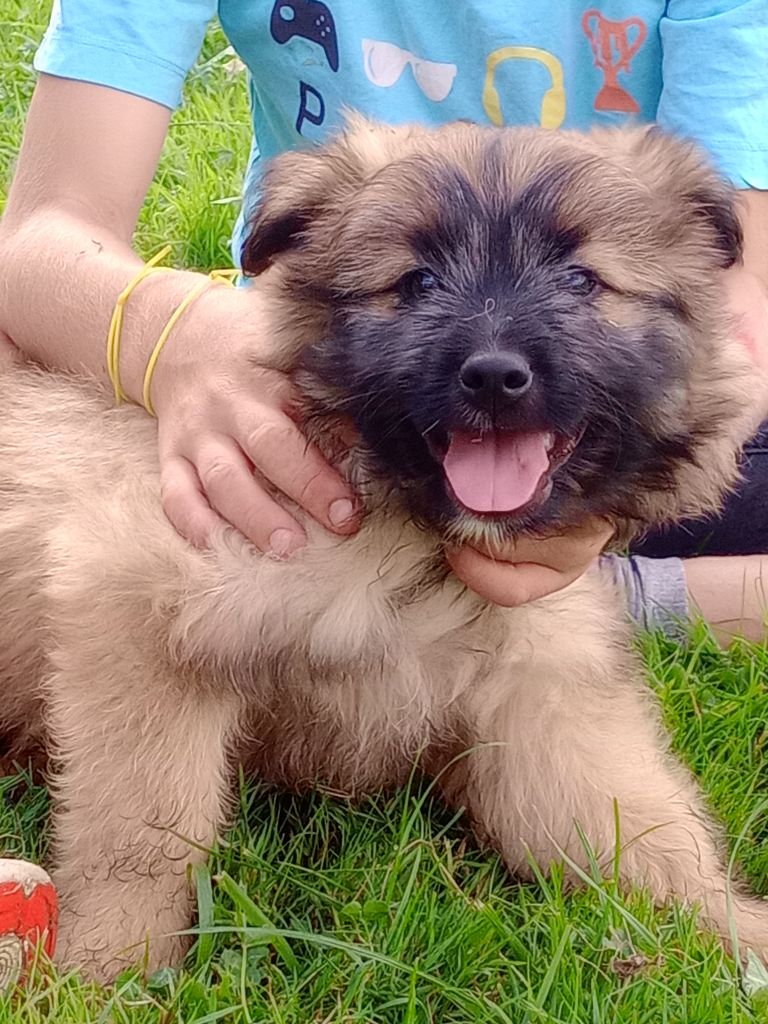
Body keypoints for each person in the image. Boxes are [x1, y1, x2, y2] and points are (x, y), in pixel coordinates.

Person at [0, 1, 766, 979]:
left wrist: (702, 914)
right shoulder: (302, 451)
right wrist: (131, 903)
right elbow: (142, 612)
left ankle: (653, 640)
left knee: (543, 663)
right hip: (240, 428)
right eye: (414, 284)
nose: (494, 352)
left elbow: (739, 314)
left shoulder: (675, 211)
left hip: (545, 469)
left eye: (580, 282)